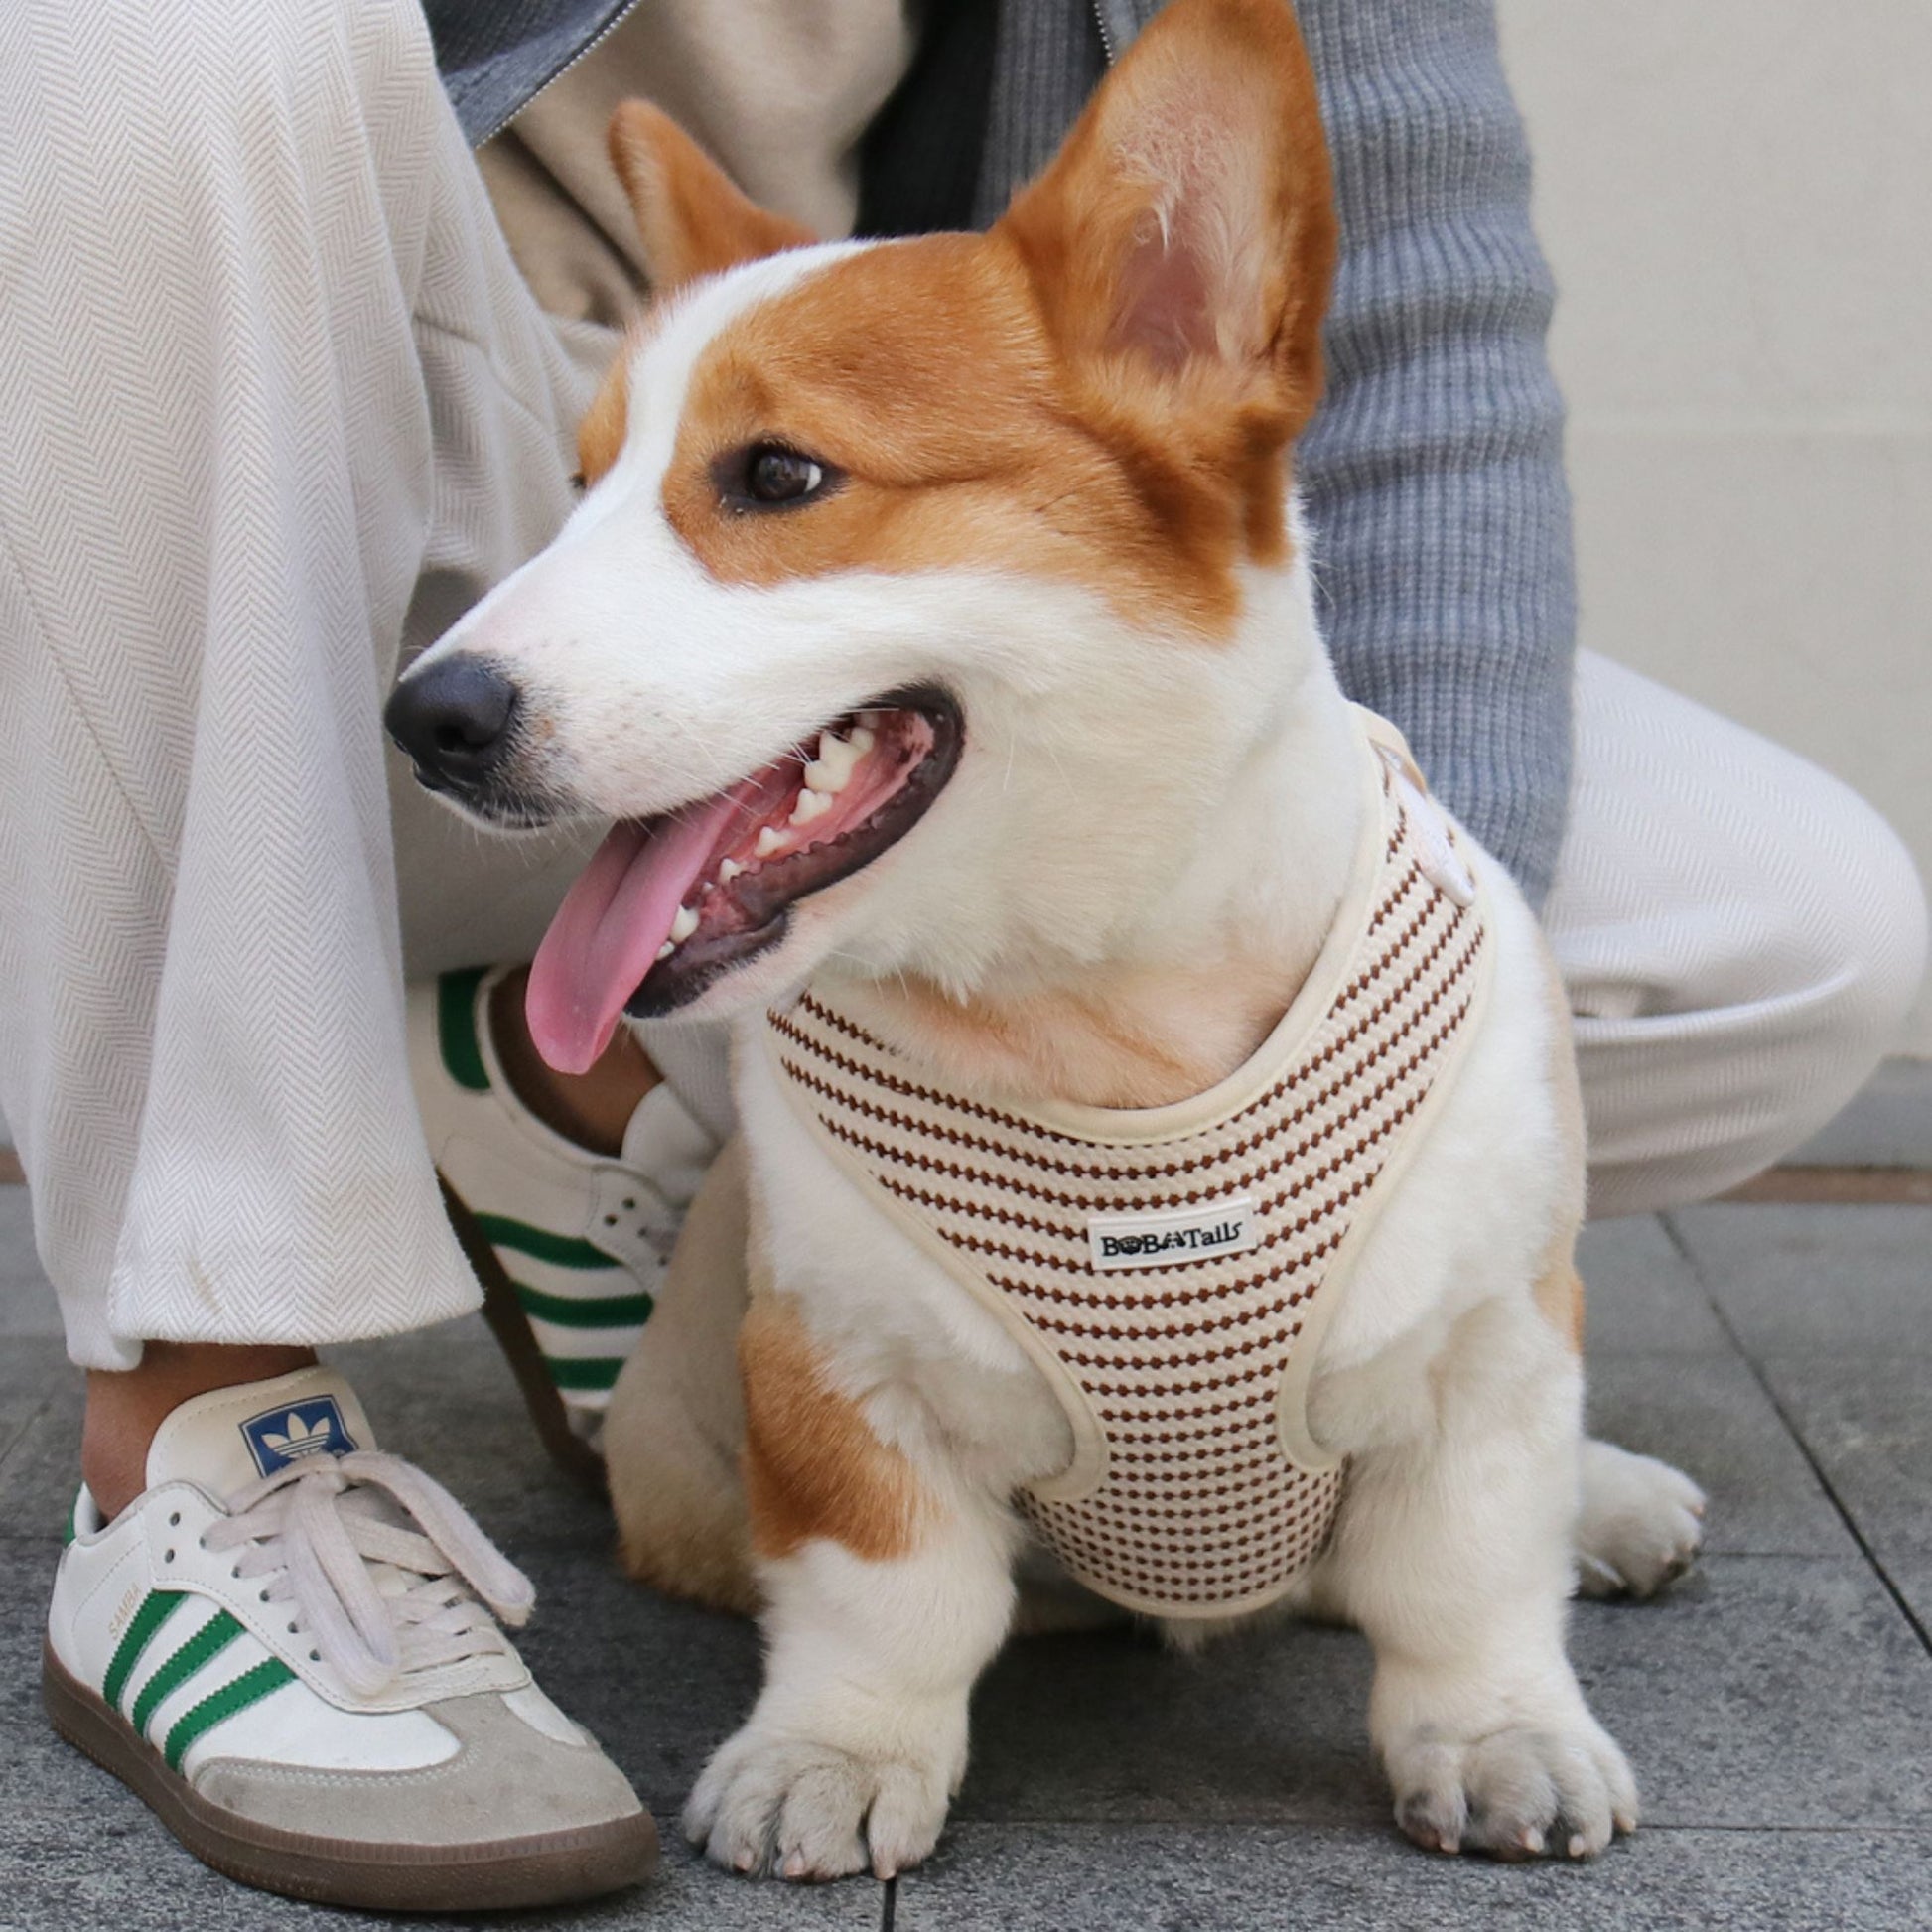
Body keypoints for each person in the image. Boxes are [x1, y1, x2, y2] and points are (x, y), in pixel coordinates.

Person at [1, 0, 1922, 1911]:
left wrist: (1377, 986)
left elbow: (1405, 322)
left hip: (961, 477)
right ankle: (204, 1427)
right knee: (157, 33)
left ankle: (609, 1111)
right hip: (333, 423)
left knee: (1789, 926)